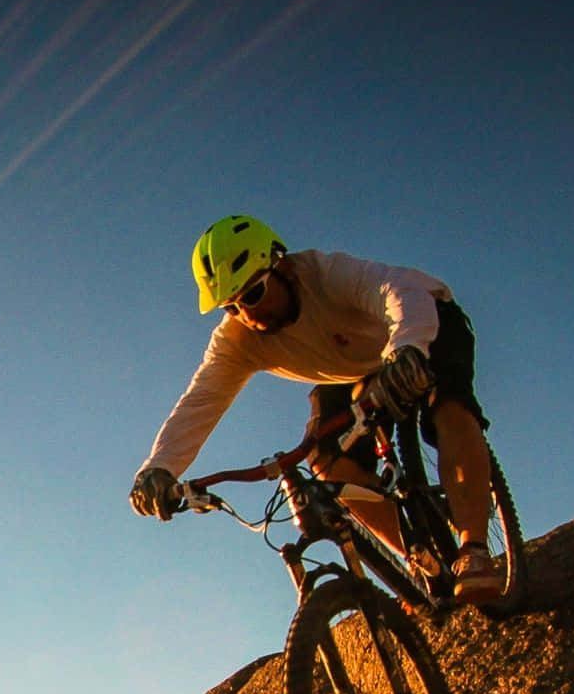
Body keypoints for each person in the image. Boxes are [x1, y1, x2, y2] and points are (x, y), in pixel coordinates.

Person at [130, 215, 501, 602]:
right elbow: (202, 400)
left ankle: (474, 550)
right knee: (326, 461)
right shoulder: (237, 341)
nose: (247, 315)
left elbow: (397, 291)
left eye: (253, 293)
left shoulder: (326, 275)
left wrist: (407, 348)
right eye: (232, 307)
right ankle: (420, 561)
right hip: (352, 372)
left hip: (424, 324)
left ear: (282, 265)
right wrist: (159, 469)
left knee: (448, 409)